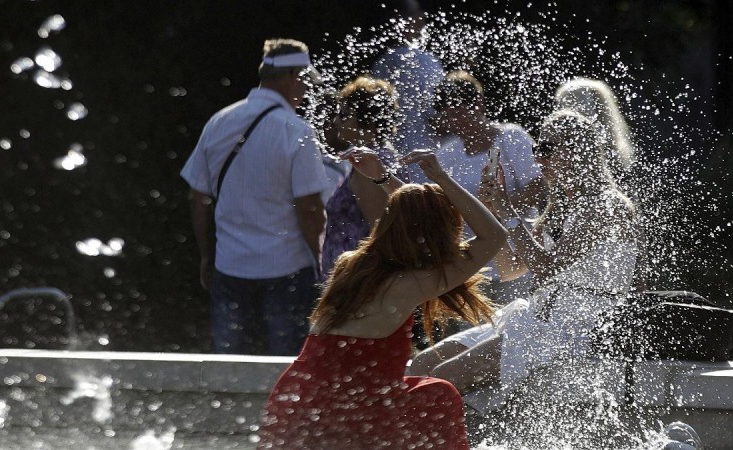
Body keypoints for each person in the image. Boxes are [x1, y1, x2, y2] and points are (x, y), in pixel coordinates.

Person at [257, 149, 507, 449]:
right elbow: (494, 236)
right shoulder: (412, 283)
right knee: (439, 394)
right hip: (347, 411)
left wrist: (386, 180)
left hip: (295, 401)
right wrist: (440, 177)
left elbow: (413, 218)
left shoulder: (351, 266)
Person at [409, 110, 638, 400]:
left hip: (574, 327)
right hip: (536, 317)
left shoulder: (607, 206)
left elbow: (547, 269)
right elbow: (511, 270)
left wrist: (509, 211)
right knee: (422, 364)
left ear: (576, 149)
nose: (538, 158)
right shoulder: (558, 207)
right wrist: (496, 212)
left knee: (443, 379)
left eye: (546, 148)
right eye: (535, 149)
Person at [180, 38, 329, 355]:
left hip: (230, 266)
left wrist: (207, 254)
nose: (306, 92)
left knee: (232, 369)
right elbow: (310, 206)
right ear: (293, 77)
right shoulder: (296, 129)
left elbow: (198, 197)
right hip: (287, 268)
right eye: (305, 83)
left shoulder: (220, 120)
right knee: (286, 369)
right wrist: (319, 260)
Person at [430, 70, 545, 304]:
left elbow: (539, 186)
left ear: (478, 104)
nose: (455, 119)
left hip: (517, 255)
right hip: (472, 264)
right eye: (449, 114)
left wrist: (498, 206)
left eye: (459, 110)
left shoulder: (510, 139)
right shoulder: (447, 155)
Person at [320, 76, 408, 278]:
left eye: (344, 115)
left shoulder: (369, 166)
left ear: (366, 120)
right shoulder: (378, 158)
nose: (336, 121)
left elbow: (380, 233)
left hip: (360, 282)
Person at [372, 3, 444, 182]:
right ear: (414, 20)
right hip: (424, 158)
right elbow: (436, 114)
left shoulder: (381, 64)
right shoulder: (426, 62)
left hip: (391, 158)